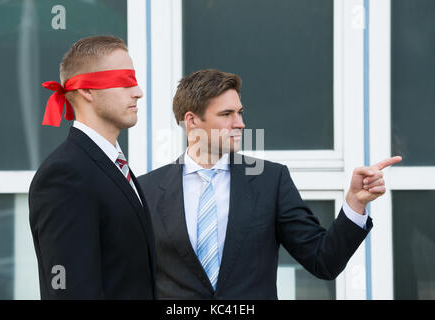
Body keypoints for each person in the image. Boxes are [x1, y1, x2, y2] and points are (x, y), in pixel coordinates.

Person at [138, 69, 402, 299]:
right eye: (227, 114)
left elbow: (324, 261)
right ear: (192, 120)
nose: (240, 124)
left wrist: (355, 203)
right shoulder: (146, 191)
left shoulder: (270, 181)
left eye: (240, 112)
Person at [29, 35, 155, 299]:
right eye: (125, 81)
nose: (138, 92)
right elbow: (72, 290)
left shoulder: (114, 166)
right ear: (87, 90)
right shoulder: (65, 175)